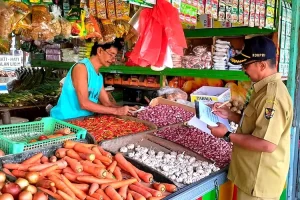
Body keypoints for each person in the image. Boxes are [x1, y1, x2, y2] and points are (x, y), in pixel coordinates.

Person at [208, 36, 293, 200]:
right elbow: (255, 123)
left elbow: (267, 144)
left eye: (246, 65)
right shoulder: (262, 88)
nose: (243, 70)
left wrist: (227, 135)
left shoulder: (272, 97)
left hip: (259, 182)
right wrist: (230, 115)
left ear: (262, 65)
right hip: (251, 175)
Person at [51, 38, 137, 120]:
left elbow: (107, 104)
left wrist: (127, 109)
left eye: (115, 56)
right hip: (65, 121)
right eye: (111, 54)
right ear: (99, 51)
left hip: (83, 121)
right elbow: (84, 104)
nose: (113, 60)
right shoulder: (81, 68)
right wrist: (117, 111)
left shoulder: (99, 76)